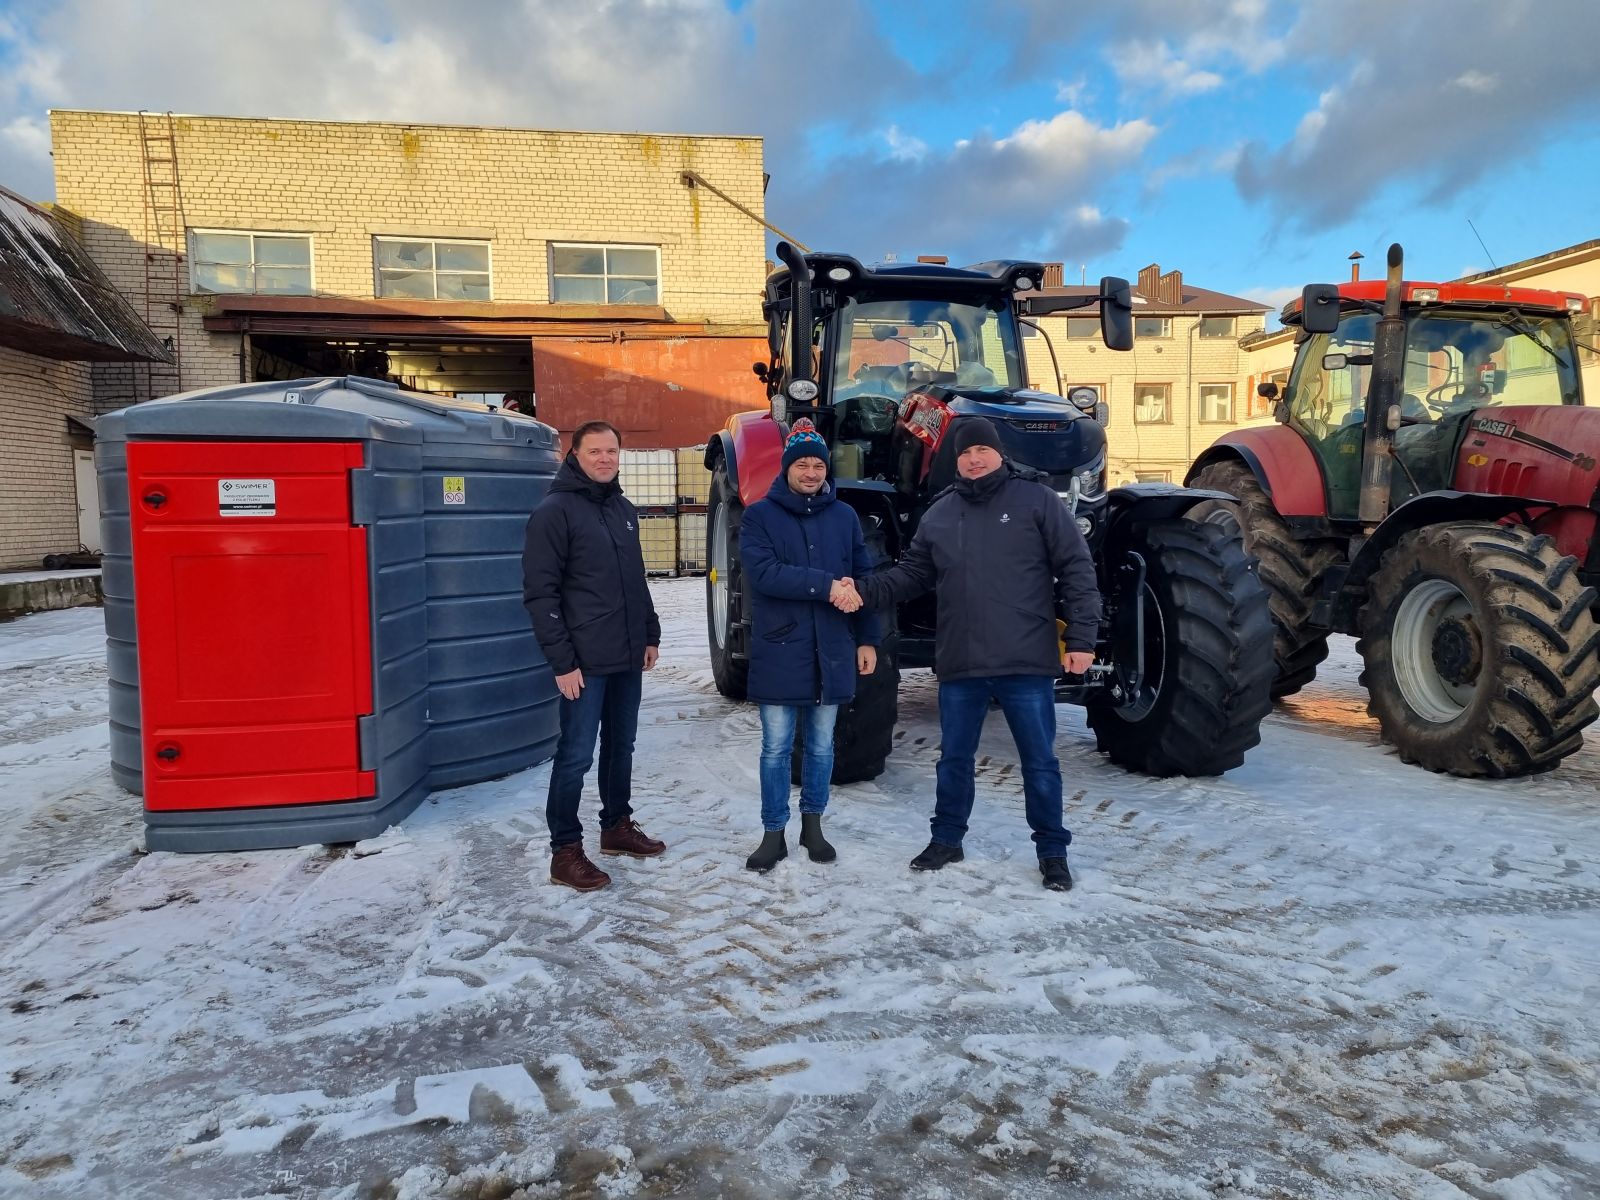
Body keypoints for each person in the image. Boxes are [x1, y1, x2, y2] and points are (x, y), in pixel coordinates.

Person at [843, 416, 1099, 892]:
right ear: (955, 460)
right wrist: (863, 590)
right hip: (961, 662)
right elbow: (911, 575)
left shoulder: (1038, 501)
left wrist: (1083, 639)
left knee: (1040, 762)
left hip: (1025, 661)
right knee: (953, 760)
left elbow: (1077, 569)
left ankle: (1052, 851)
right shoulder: (940, 514)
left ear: (999, 453)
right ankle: (947, 839)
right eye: (964, 453)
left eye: (981, 451)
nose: (974, 460)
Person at [523, 420, 665, 891]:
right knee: (575, 756)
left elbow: (635, 581)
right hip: (583, 662)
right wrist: (562, 662)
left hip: (626, 656)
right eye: (595, 452)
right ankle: (564, 850)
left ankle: (616, 828)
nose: (605, 459)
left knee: (620, 747)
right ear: (575, 455)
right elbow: (540, 595)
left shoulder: (622, 509)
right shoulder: (554, 512)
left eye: (612, 451)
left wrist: (650, 634)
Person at [739, 419, 881, 872]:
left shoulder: (844, 517)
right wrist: (826, 586)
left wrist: (868, 638)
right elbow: (764, 574)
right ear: (786, 469)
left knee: (822, 747)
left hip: (833, 647)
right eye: (801, 463)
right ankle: (773, 832)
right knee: (776, 749)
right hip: (782, 649)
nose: (811, 472)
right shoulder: (759, 516)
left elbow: (864, 581)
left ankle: (813, 826)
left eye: (818, 464)